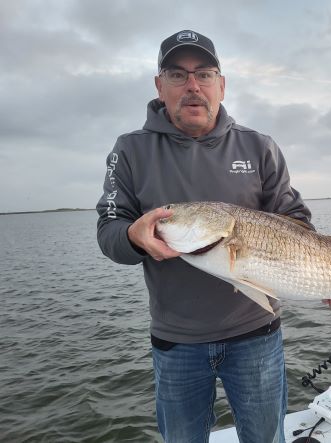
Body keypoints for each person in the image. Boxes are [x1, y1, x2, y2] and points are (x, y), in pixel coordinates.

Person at [96, 30, 313, 443]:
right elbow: (109, 231)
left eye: (205, 73)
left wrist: (328, 277)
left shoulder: (260, 146)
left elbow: (295, 219)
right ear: (160, 86)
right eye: (178, 75)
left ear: (222, 84)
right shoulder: (128, 151)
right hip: (176, 342)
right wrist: (133, 236)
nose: (193, 86)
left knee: (267, 438)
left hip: (257, 335)